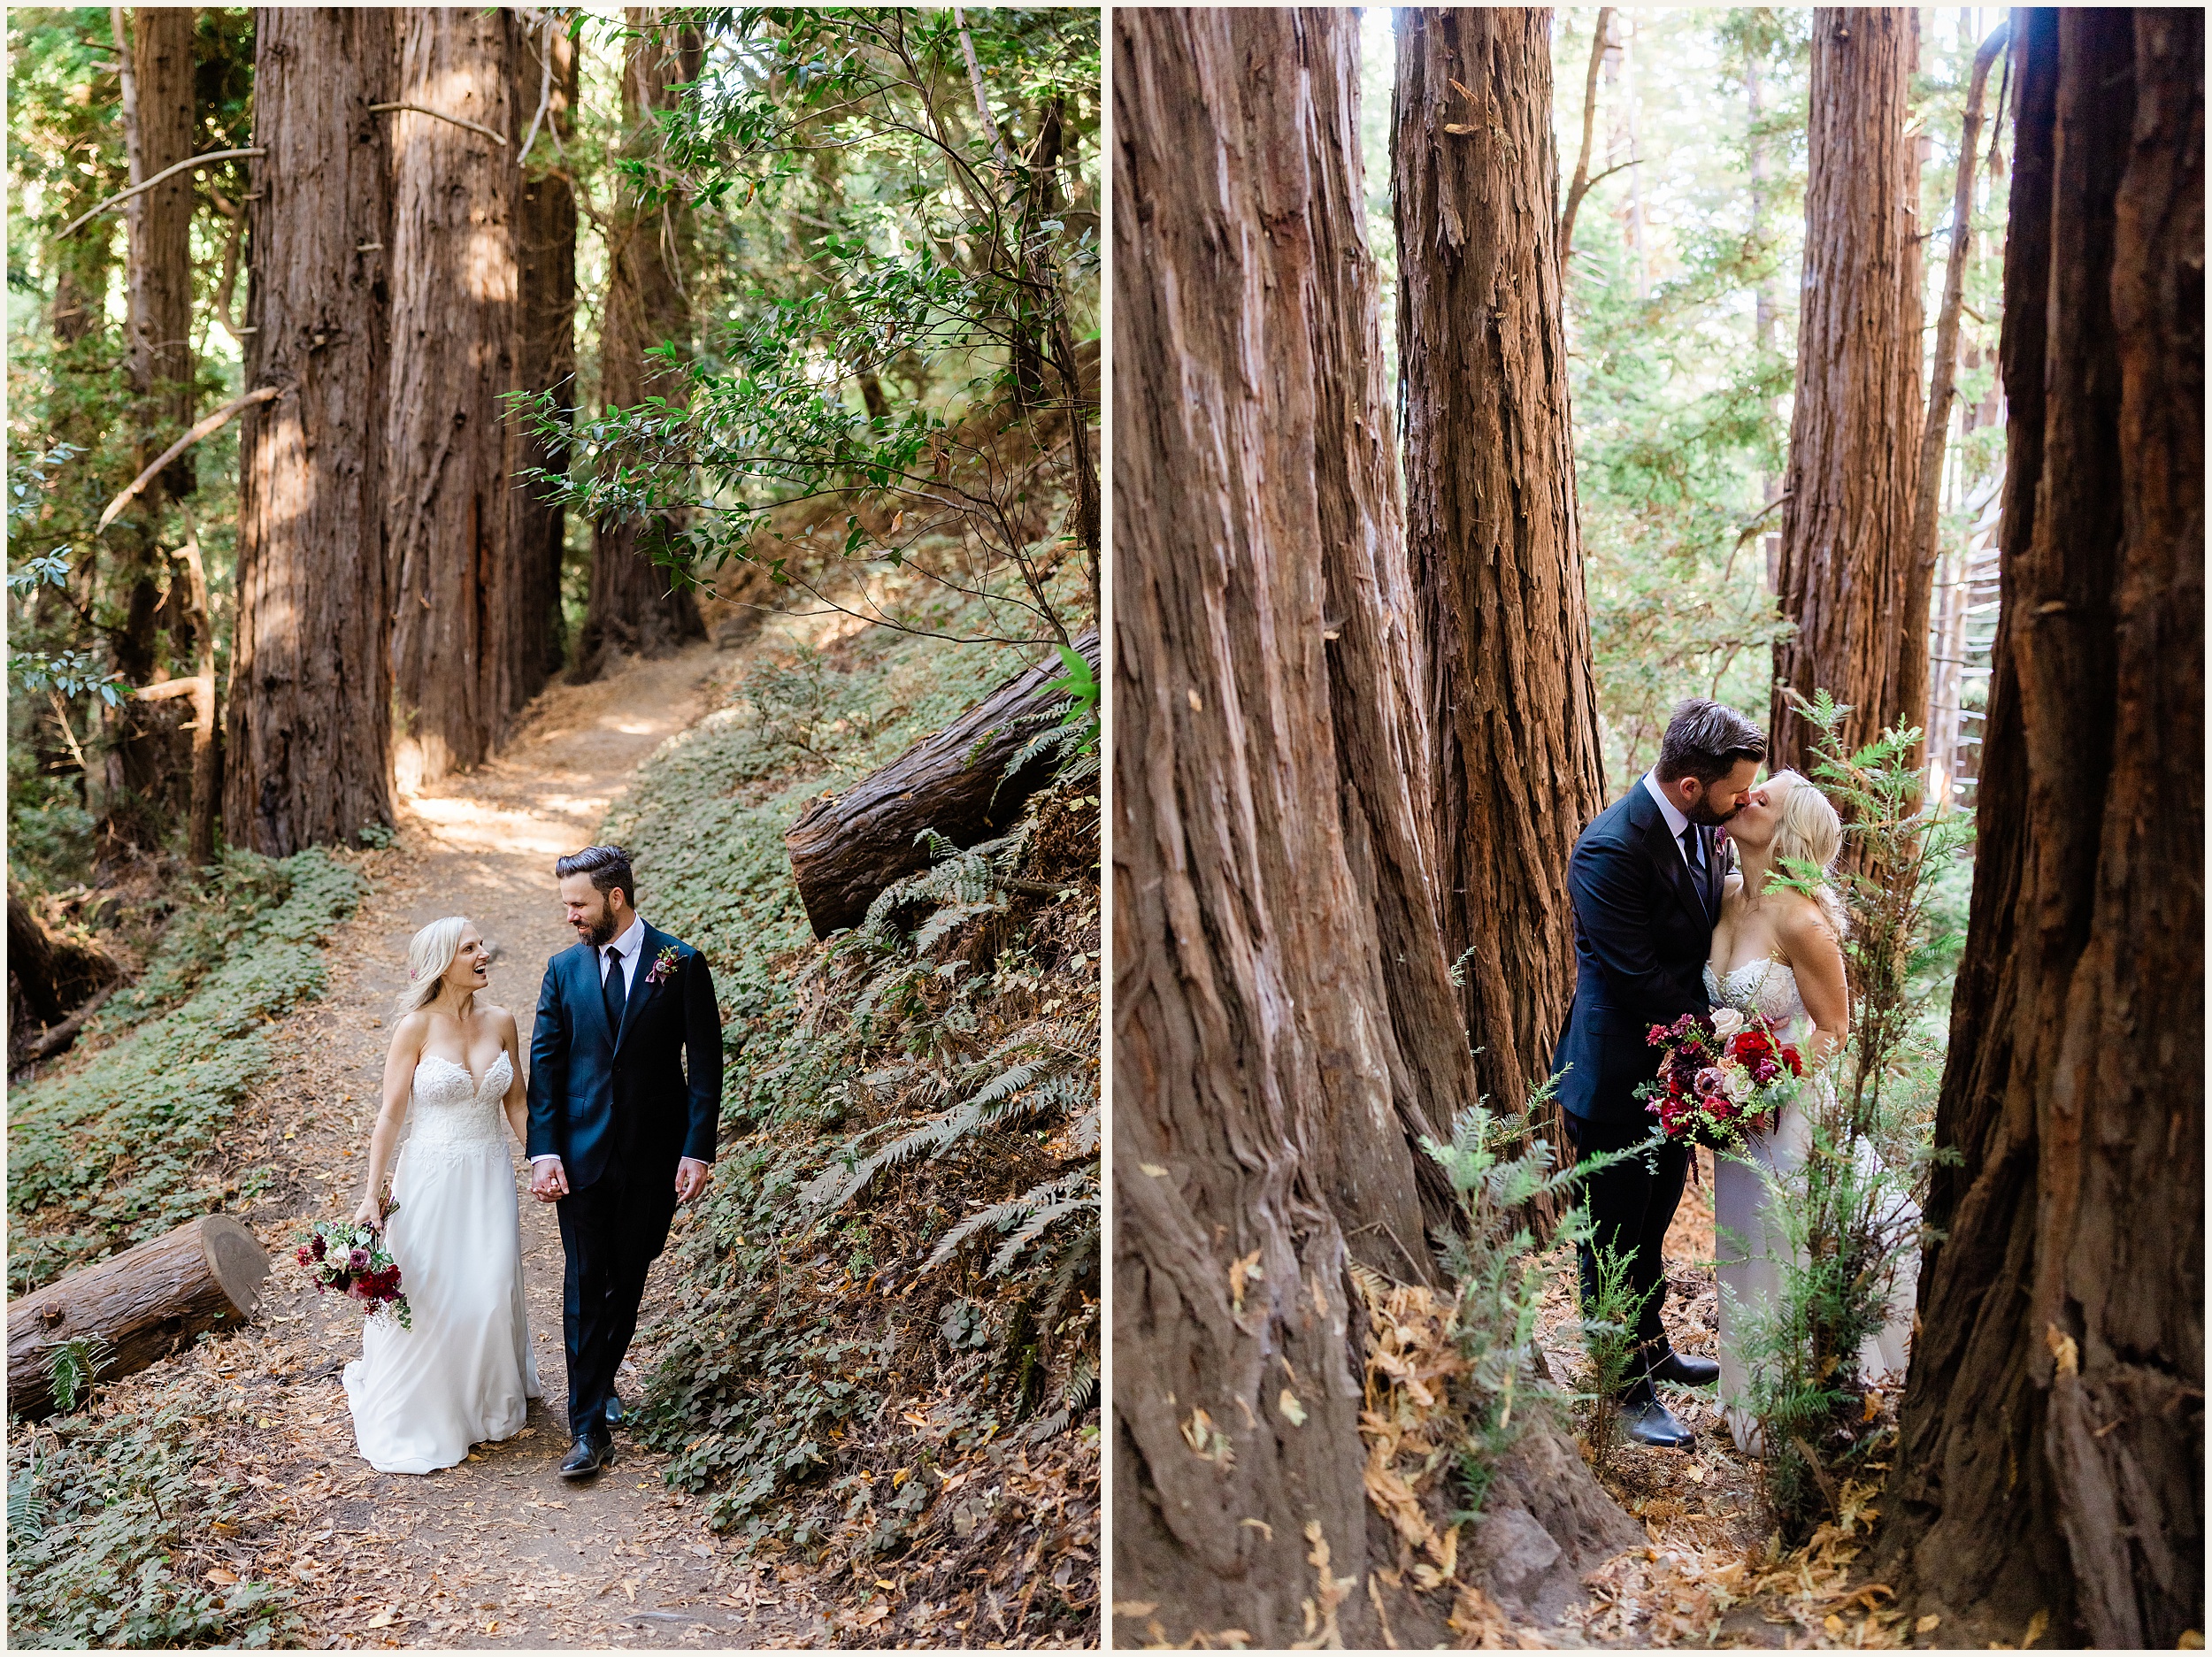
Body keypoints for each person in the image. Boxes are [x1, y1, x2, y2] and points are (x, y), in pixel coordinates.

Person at [1552, 698, 1766, 1450]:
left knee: (1651, 1225)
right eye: (1735, 789)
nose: (1744, 801)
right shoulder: (1611, 847)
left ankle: (1653, 1349)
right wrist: (1730, 1035)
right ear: (1687, 785)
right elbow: (1638, 977)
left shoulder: (1704, 831)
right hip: (1615, 1077)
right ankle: (1624, 1388)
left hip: (1672, 1081)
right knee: (1612, 1236)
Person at [1708, 769, 1918, 1454]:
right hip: (1732, 1116)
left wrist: (1771, 1086)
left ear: (1788, 828)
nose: (1745, 797)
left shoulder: (1802, 917)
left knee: (1785, 1250)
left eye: (1760, 797)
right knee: (1741, 1247)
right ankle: (1751, 1403)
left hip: (1788, 1117)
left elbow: (1835, 1026)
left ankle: (1805, 1410)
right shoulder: (1732, 894)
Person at [526, 845, 722, 1480]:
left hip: (652, 1154)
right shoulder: (561, 971)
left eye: (577, 904)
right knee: (585, 1283)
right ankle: (587, 1430)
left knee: (628, 1277)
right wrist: (544, 1148)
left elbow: (705, 1070)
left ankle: (602, 1375)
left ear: (614, 898)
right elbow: (547, 1068)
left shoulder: (681, 963)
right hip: (579, 1155)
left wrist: (696, 1148)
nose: (570, 917)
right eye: (565, 905)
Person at [344, 917, 541, 1474]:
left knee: (489, 1289)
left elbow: (518, 1106)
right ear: (441, 963)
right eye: (470, 949)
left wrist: (543, 1161)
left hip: (487, 1173)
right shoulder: (415, 1027)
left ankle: (481, 1403)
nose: (484, 955)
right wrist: (370, 1195)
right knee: (431, 1294)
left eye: (482, 945)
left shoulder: (501, 1021)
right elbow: (389, 1116)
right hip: (429, 1177)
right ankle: (430, 1409)